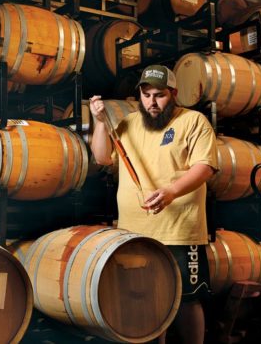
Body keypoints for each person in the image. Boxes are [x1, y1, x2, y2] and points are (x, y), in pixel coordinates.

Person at [89, 64, 218, 344]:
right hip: (135, 232)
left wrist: (171, 191)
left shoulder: (193, 121)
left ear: (173, 93)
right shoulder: (130, 122)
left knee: (187, 299)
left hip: (180, 230)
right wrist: (100, 122)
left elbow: (205, 167)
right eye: (146, 95)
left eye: (159, 95)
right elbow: (102, 157)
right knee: (147, 298)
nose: (151, 102)